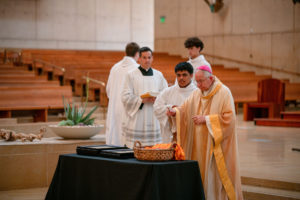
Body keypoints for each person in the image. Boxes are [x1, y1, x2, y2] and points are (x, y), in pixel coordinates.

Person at [167, 65, 243, 200]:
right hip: (198, 145)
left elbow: (230, 119)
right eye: (197, 81)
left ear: (211, 78)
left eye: (201, 81)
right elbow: (185, 108)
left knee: (214, 176)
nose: (198, 84)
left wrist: (207, 119)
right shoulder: (197, 92)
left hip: (215, 146)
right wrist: (175, 112)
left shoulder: (224, 92)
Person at [122, 47, 168, 148]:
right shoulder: (131, 75)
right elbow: (125, 97)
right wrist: (141, 100)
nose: (147, 60)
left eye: (149, 57)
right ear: (139, 58)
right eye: (144, 57)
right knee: (137, 147)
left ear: (152, 58)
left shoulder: (159, 75)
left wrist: (157, 99)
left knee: (154, 148)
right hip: (138, 115)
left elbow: (165, 94)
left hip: (153, 114)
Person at [105, 42, 140, 146]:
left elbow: (108, 90)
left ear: (126, 52)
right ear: (137, 54)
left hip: (115, 107)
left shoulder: (115, 67)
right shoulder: (137, 69)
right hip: (130, 109)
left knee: (115, 139)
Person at [153, 62, 197, 143]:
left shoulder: (197, 93)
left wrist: (177, 112)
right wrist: (171, 107)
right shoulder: (167, 91)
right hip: (171, 135)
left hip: (189, 135)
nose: (181, 78)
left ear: (191, 75)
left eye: (184, 75)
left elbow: (199, 113)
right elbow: (156, 108)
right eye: (178, 75)